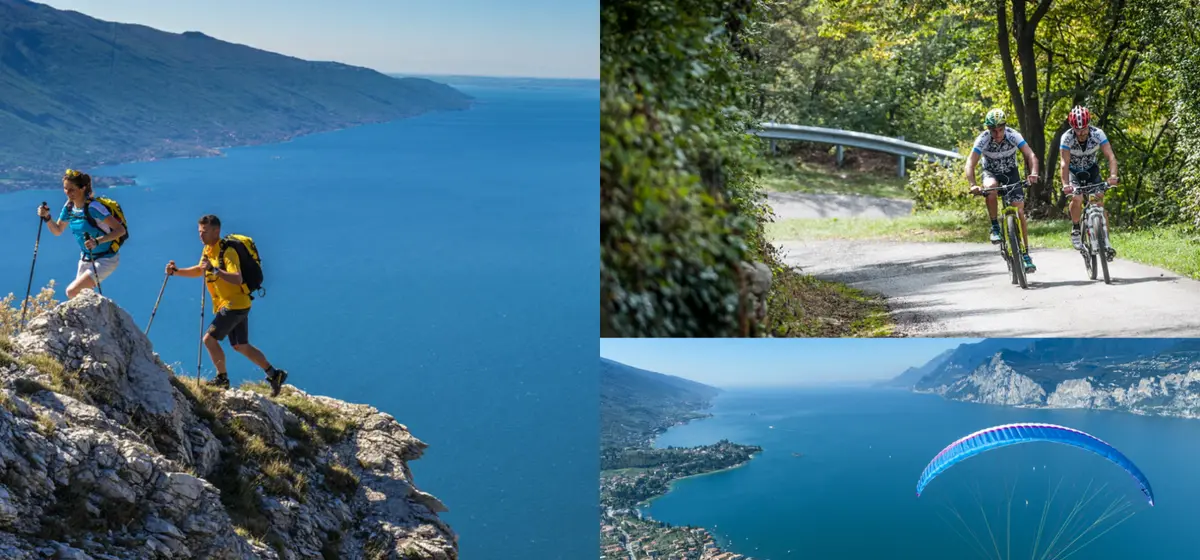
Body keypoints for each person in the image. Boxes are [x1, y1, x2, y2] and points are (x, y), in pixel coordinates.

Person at [166, 215, 288, 396]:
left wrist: (213, 269)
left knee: (209, 339)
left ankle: (222, 379)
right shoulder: (208, 250)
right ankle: (274, 374)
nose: (201, 236)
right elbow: (200, 270)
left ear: (216, 231)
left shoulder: (228, 252)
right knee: (241, 345)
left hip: (234, 304)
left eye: (205, 232)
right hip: (236, 304)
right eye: (199, 232)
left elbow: (237, 278)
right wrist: (176, 272)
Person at [964, 108, 1041, 273]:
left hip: (1011, 173)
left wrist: (1033, 173)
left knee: (1019, 211)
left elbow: (1030, 155)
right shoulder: (983, 139)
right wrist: (972, 184)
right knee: (990, 187)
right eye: (993, 130)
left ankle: (1026, 254)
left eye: (1000, 129)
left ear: (1005, 126)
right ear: (988, 129)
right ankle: (995, 226)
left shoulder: (1013, 135)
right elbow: (970, 162)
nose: (997, 133)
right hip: (991, 172)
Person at [36, 169, 127, 298]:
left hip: (106, 259)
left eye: (72, 189)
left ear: (83, 188)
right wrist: (47, 217)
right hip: (86, 258)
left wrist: (97, 241)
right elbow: (57, 230)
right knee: (80, 297)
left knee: (72, 291)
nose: (68, 193)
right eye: (65, 189)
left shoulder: (94, 208)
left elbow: (120, 230)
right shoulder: (69, 207)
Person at [1059, 105, 1119, 259]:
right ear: (1072, 127)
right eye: (1077, 129)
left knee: (1099, 201)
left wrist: (1112, 176)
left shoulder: (1098, 134)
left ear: (1088, 125)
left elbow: (1111, 156)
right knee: (1077, 197)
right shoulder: (1066, 138)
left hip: (1091, 171)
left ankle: (1106, 243)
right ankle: (1076, 227)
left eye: (1084, 128)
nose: (1081, 133)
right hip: (1074, 173)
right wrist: (1066, 184)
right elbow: (1064, 164)